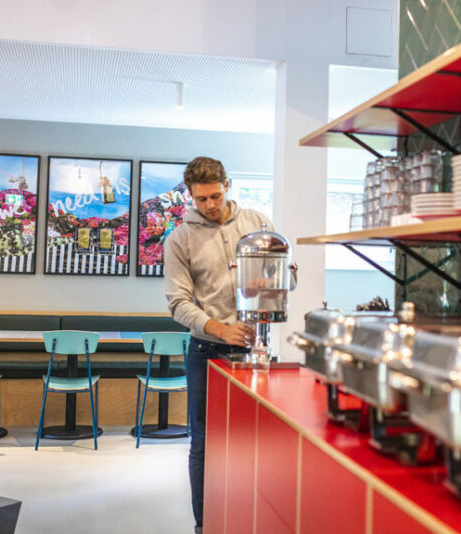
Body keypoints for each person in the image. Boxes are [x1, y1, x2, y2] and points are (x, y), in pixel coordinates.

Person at [163, 156, 271, 534]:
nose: (209, 205)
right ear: (190, 196)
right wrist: (219, 329)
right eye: (200, 199)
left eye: (215, 195)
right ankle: (204, 525)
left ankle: (248, 519)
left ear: (228, 184)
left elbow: (287, 269)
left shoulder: (257, 223)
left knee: (255, 442)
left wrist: (274, 283)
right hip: (205, 354)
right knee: (204, 444)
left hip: (254, 351)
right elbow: (178, 303)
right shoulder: (180, 238)